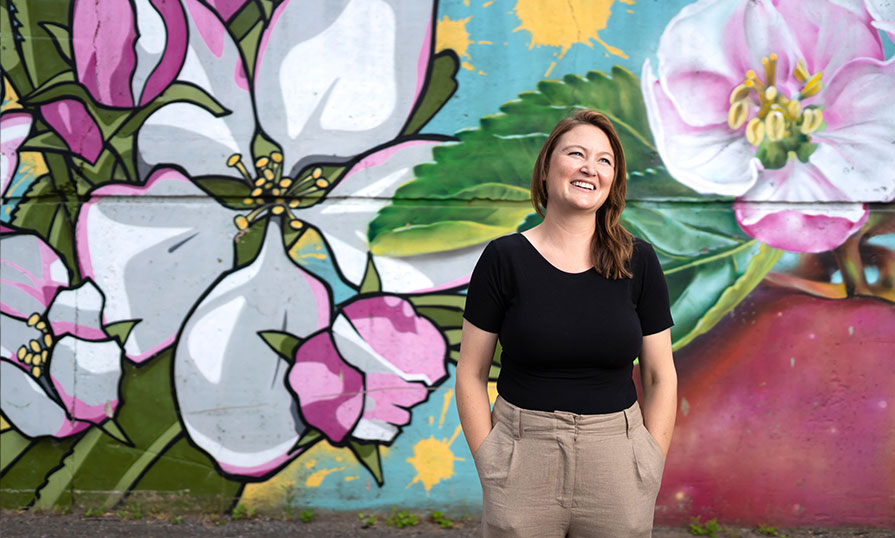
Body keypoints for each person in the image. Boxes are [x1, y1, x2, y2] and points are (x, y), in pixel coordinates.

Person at [456, 109, 677, 538]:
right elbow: (471, 371)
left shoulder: (640, 262)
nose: (589, 168)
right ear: (546, 169)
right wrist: (491, 460)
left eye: (604, 160)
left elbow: (658, 374)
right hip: (522, 457)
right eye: (575, 153)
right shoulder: (504, 259)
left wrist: (651, 460)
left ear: (613, 180)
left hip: (617, 458)